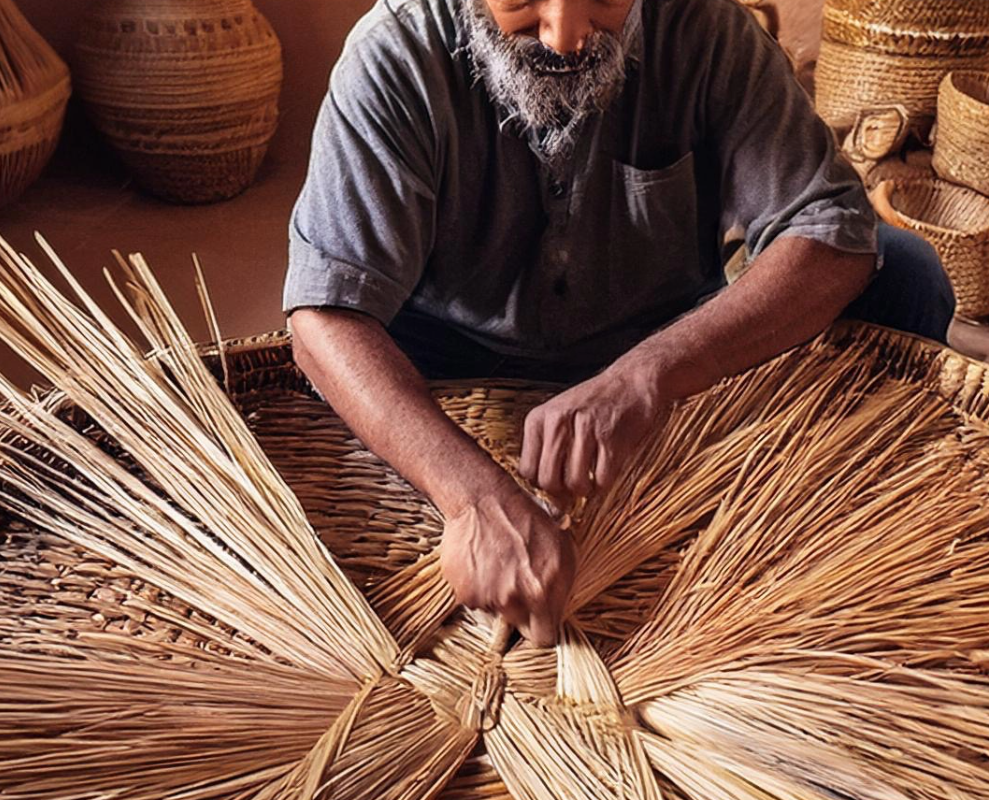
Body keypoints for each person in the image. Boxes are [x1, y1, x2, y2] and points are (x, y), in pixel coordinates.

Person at [283, 0, 953, 645]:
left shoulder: (706, 31)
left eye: (606, 0)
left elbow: (829, 229)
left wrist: (648, 374)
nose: (566, 36)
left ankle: (857, 523)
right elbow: (325, 313)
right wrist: (471, 497)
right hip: (445, 347)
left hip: (649, 333)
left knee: (906, 275)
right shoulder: (397, 53)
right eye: (522, 1)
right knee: (345, 357)